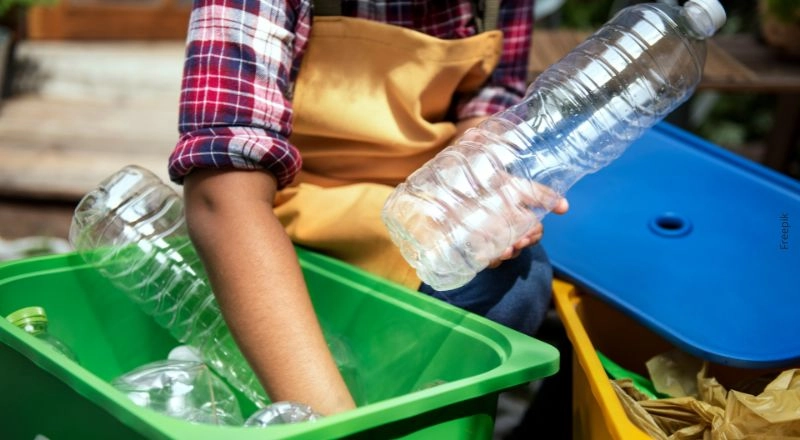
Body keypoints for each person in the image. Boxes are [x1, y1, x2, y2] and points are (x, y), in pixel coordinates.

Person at [169, 0, 568, 416]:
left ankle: (387, 401)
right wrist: (334, 424)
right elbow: (222, 195)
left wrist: (477, 190)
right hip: (286, 211)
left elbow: (488, 103)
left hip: (415, 206)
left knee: (515, 280)